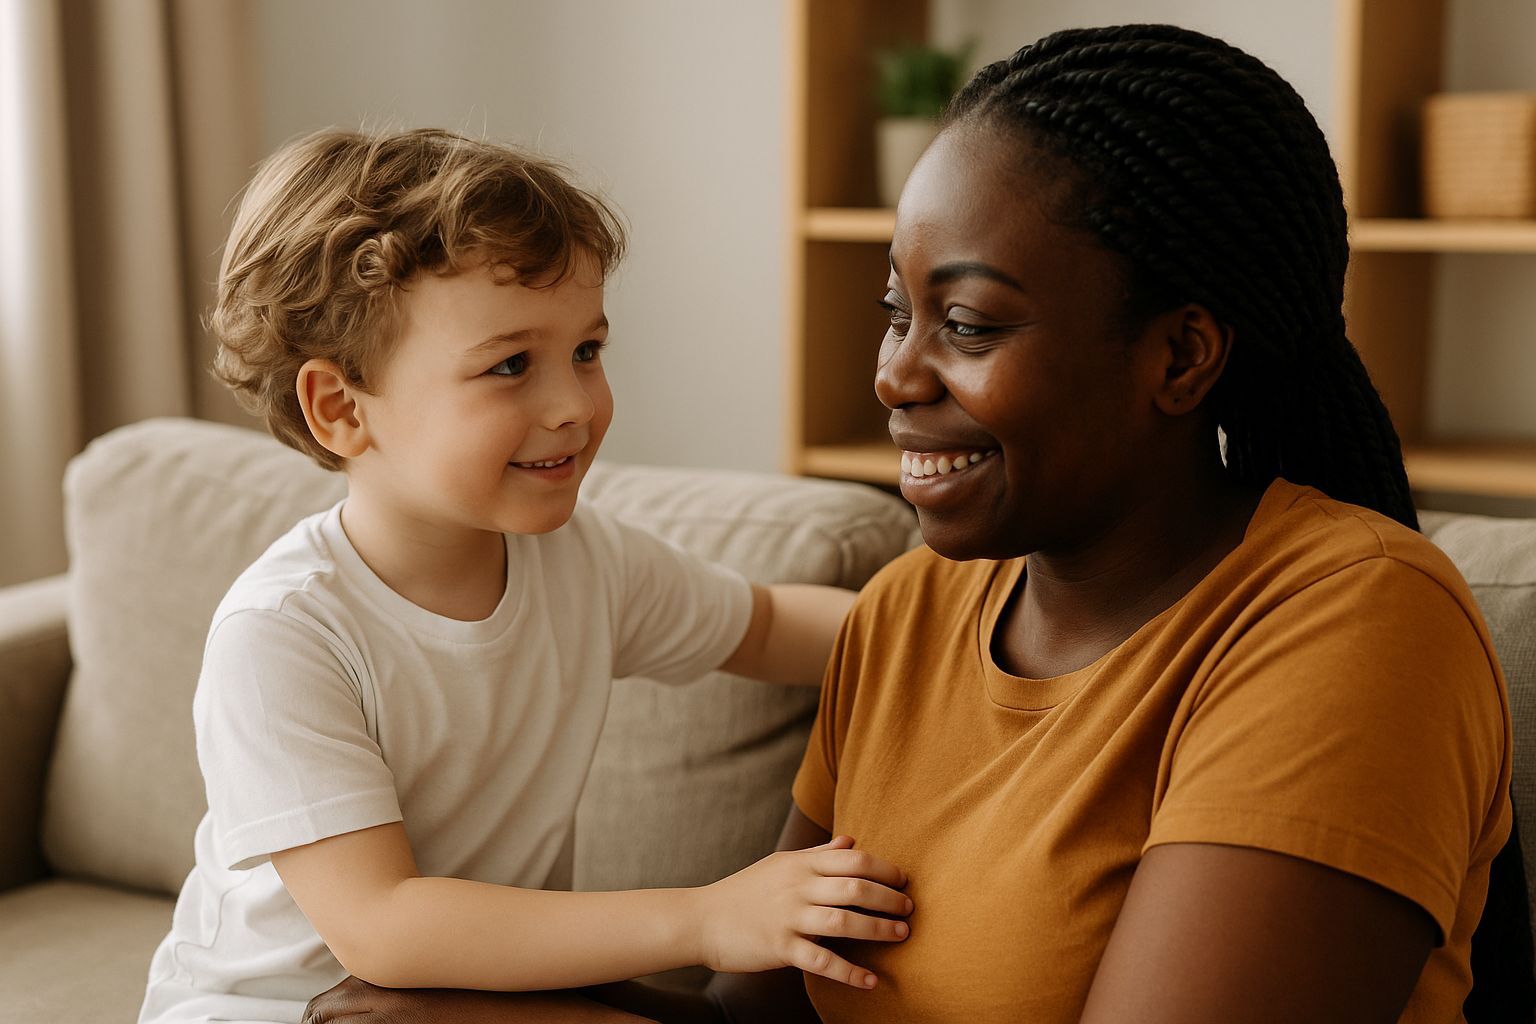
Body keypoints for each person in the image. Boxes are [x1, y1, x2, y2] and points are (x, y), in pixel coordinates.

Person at [300, 24, 1531, 1024]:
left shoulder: (1353, 624)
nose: (895, 373)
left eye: (973, 324)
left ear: (1182, 355)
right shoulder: (910, 612)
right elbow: (763, 1012)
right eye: (900, 311)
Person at [136, 127, 916, 1024]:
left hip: (478, 992)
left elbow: (772, 625)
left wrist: (958, 628)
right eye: (511, 366)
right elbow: (385, 931)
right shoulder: (284, 636)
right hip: (283, 1009)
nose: (575, 406)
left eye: (587, 352)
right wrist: (705, 918)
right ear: (341, 409)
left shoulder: (586, 561)